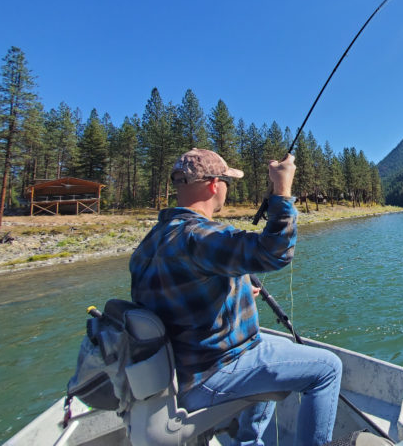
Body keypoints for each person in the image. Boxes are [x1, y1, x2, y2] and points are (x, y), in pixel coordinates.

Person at [130, 148, 341, 446]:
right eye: (227, 182)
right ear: (214, 185)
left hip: (179, 373)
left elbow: (181, 300)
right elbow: (276, 252)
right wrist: (282, 189)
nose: (227, 189)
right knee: (328, 368)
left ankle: (248, 442)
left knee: (271, 345)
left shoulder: (151, 242)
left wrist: (238, 290)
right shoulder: (197, 235)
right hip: (210, 374)